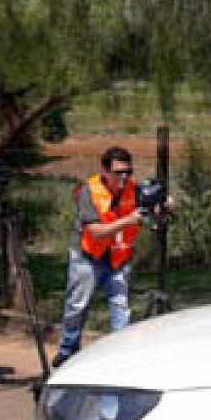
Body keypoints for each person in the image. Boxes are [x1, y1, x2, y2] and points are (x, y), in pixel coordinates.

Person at [53, 146, 147, 367]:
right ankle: (68, 351)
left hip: (117, 257)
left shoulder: (133, 189)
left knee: (120, 307)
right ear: (104, 171)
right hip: (88, 255)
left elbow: (155, 202)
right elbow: (95, 232)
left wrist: (164, 202)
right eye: (118, 172)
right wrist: (129, 221)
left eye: (128, 172)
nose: (124, 177)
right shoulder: (89, 191)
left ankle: (120, 356)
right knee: (78, 306)